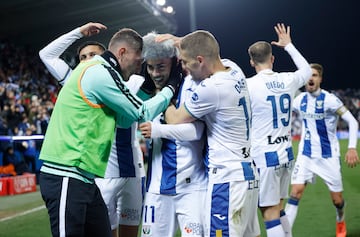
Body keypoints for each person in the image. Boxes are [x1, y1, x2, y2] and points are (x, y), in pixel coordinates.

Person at [38, 27, 181, 237]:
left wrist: (148, 89)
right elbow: (141, 112)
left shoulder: (98, 71)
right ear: (122, 53)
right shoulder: (101, 73)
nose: (139, 65)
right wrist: (172, 86)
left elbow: (125, 118)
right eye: (138, 59)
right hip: (66, 173)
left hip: (86, 178)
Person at [160, 30, 260, 237]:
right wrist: (182, 42)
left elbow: (175, 119)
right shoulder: (234, 69)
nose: (184, 69)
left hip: (226, 179)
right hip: (248, 174)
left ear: (200, 60)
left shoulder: (211, 88)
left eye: (186, 63)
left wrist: (163, 92)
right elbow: (207, 46)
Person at [138, 32, 208, 237]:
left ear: (175, 62)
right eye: (150, 67)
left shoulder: (192, 86)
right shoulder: (147, 92)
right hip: (157, 188)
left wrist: (159, 130)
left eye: (160, 66)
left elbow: (197, 131)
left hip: (192, 187)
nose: (155, 73)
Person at [246, 23, 312, 237]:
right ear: (272, 59)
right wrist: (289, 45)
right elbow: (307, 71)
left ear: (251, 62)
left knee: (268, 212)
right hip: (286, 152)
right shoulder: (287, 79)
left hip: (265, 155)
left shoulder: (248, 85)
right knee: (278, 208)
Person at [285, 63, 359, 237]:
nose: (311, 78)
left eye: (315, 75)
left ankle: (340, 218)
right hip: (305, 155)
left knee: (337, 200)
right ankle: (284, 233)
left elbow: (353, 122)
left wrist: (352, 148)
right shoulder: (299, 100)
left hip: (328, 157)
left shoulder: (330, 100)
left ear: (320, 79)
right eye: (309, 75)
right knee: (295, 193)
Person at [39, 22, 107, 86]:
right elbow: (46, 55)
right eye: (83, 58)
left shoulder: (116, 77)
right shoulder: (76, 82)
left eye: (93, 55)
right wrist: (79, 32)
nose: (88, 59)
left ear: (105, 58)